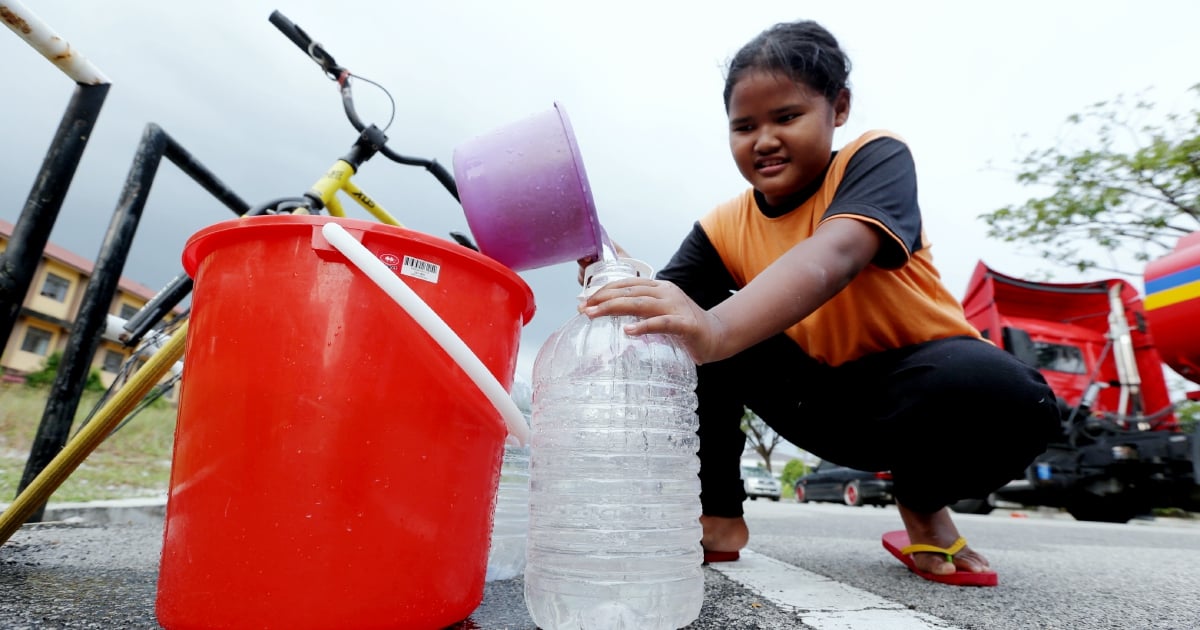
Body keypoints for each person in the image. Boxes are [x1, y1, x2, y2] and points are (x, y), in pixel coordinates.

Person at [578, 19, 1060, 586]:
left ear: (840, 107)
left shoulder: (875, 159)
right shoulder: (721, 226)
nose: (764, 139)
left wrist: (715, 329)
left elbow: (837, 252)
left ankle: (923, 502)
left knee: (1012, 396)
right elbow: (667, 313)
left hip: (921, 388)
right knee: (683, 324)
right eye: (744, 126)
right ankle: (718, 518)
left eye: (787, 117)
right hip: (816, 402)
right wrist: (609, 269)